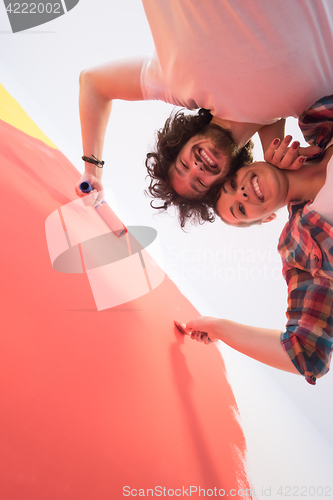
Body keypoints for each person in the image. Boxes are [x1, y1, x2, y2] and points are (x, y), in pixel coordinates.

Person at [76, 0, 332, 226]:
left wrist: (92, 172)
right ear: (228, 178)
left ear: (182, 142)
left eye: (183, 165)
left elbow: (93, 83)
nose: (196, 167)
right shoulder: (301, 108)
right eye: (199, 182)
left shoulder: (177, 85)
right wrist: (274, 152)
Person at [181, 140, 333, 385]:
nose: (241, 193)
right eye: (240, 209)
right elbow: (308, 355)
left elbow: (264, 110)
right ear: (267, 219)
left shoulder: (316, 124)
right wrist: (218, 327)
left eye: (232, 184)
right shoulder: (300, 243)